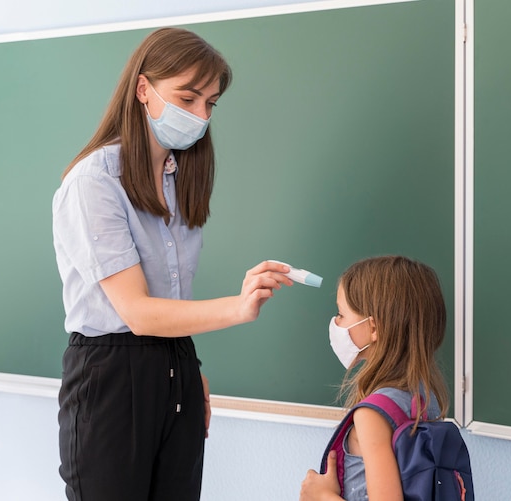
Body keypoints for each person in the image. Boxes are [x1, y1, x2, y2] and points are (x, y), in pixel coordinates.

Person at [52, 27, 292, 501]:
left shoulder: (180, 180)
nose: (200, 115)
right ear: (143, 89)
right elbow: (138, 312)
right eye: (188, 96)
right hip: (111, 377)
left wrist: (186, 365)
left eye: (210, 103)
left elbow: (169, 303)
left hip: (174, 365)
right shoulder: (93, 182)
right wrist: (239, 307)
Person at [300, 255, 450, 501]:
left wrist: (321, 496)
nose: (336, 323)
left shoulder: (372, 413)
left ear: (373, 328)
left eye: (341, 314)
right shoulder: (426, 395)